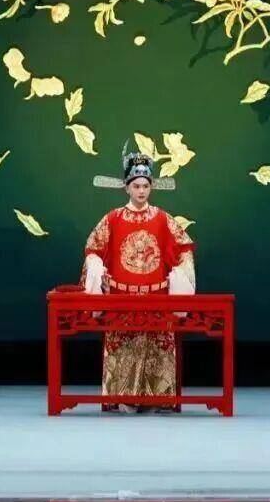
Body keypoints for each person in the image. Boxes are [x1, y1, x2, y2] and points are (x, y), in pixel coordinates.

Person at [81, 145, 195, 411]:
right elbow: (92, 248)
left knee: (157, 346)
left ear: (151, 187)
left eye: (145, 186)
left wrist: (181, 272)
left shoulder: (163, 218)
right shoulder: (113, 218)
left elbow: (184, 248)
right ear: (127, 188)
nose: (141, 191)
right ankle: (121, 398)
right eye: (136, 186)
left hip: (157, 296)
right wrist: (97, 267)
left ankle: (158, 399)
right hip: (122, 297)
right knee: (123, 346)